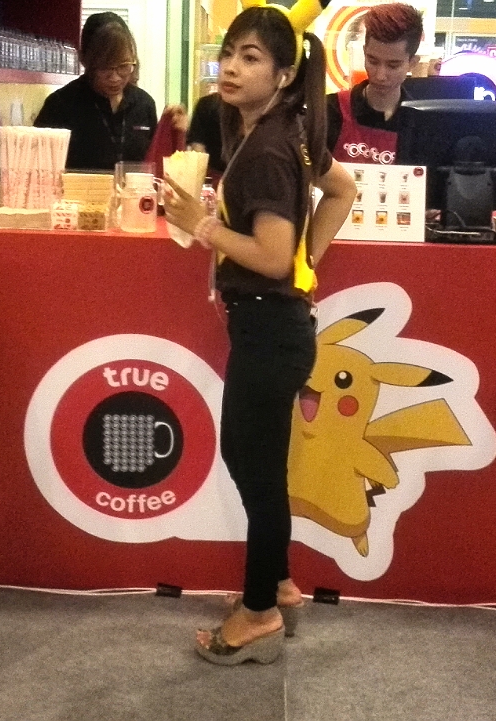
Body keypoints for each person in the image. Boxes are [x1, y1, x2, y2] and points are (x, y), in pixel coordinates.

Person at [163, 0, 355, 665]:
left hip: (271, 330)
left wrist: (203, 226)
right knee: (255, 462)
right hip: (272, 327)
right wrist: (308, 265)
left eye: (251, 57)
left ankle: (259, 612)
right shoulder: (274, 130)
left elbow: (272, 256)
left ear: (282, 74)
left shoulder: (270, 146)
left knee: (256, 470)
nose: (232, 67)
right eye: (229, 53)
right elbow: (343, 191)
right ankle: (277, 584)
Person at [34, 14, 158, 170]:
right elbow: (38, 166)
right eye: (105, 68)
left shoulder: (144, 104)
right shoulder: (60, 105)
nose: (115, 77)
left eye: (123, 66)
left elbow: (157, 161)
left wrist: (178, 132)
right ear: (86, 61)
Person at [324, 2, 423, 165]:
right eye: (373, 61)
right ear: (364, 52)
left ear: (412, 63)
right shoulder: (329, 110)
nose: (380, 75)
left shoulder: (420, 123)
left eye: (393, 65)